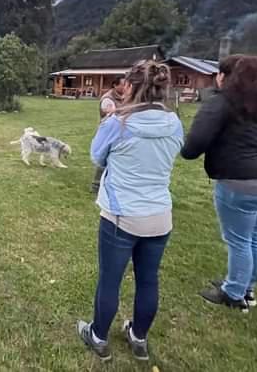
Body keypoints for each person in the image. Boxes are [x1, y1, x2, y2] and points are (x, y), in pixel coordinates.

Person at [77, 60, 183, 362]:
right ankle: (138, 338)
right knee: (148, 280)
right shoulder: (174, 123)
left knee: (109, 280)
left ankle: (98, 336)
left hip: (120, 217)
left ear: (132, 86)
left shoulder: (117, 123)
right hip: (160, 217)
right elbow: (176, 148)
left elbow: (97, 155)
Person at [181, 55, 257, 311]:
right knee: (255, 236)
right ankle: (246, 286)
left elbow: (193, 146)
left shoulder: (222, 103)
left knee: (240, 240)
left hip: (241, 184)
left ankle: (233, 293)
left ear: (224, 77)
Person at [90, 77, 126, 193]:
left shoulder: (123, 97)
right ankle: (96, 185)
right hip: (108, 132)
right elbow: (110, 112)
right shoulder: (107, 99)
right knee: (103, 157)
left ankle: (111, 183)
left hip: (120, 131)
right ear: (115, 85)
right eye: (123, 85)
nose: (125, 87)